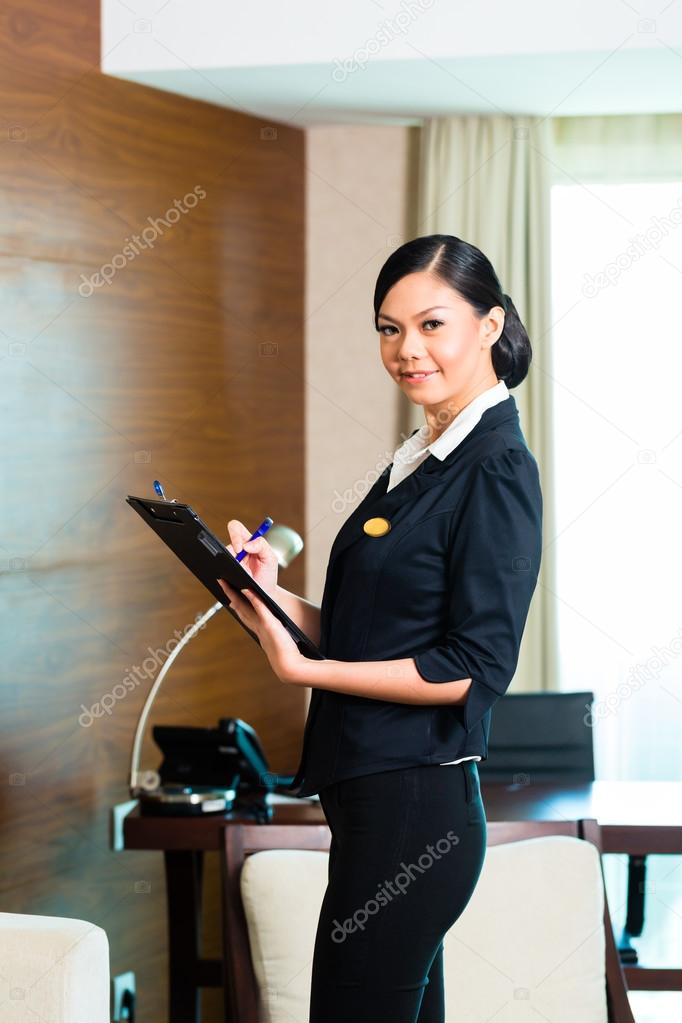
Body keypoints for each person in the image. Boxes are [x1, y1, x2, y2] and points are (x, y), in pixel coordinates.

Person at [217, 233, 543, 1023]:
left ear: (490, 325)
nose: (406, 349)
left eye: (431, 325)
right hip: (375, 807)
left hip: (414, 812)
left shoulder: (493, 466)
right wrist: (274, 600)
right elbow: (374, 632)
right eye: (388, 329)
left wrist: (305, 672)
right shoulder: (425, 453)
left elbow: (473, 663)